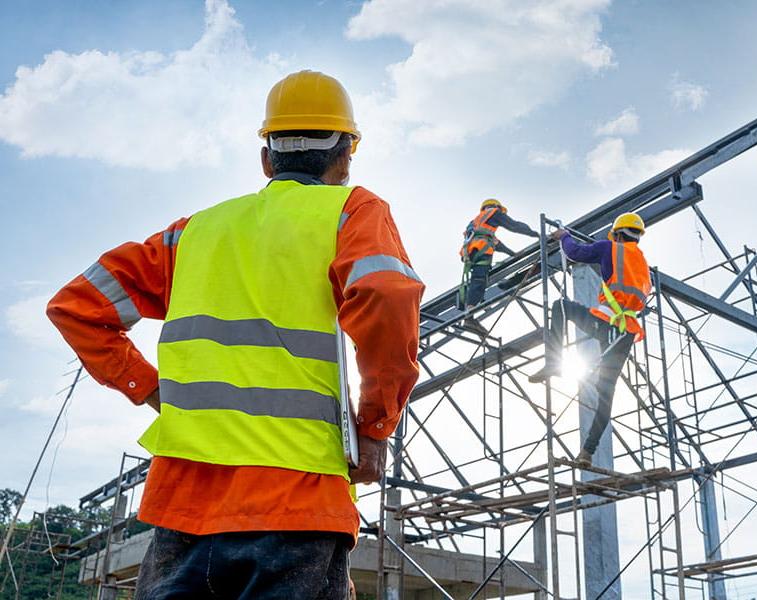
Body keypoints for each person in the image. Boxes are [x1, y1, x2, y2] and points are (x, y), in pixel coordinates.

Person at [46, 70, 424, 599]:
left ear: (266, 158)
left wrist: (151, 389)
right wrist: (377, 426)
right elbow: (386, 294)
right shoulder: (353, 211)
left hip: (183, 506)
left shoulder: (194, 231)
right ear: (345, 156)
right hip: (300, 501)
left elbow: (76, 305)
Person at [529, 213, 650, 462]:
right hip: (626, 332)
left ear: (617, 233)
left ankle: (554, 362)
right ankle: (587, 452)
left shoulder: (610, 248)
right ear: (637, 237)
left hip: (606, 321)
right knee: (607, 392)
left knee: (560, 306)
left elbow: (576, 254)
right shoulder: (641, 262)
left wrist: (564, 236)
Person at [459, 198, 538, 334]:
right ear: (496, 207)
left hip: (472, 253)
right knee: (479, 280)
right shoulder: (493, 212)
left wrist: (512, 254)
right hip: (481, 251)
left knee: (478, 279)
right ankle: (469, 315)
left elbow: (496, 243)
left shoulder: (477, 222)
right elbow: (514, 225)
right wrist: (536, 234)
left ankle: (470, 314)